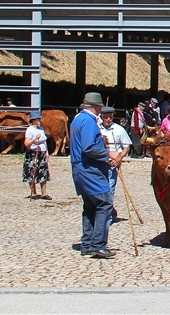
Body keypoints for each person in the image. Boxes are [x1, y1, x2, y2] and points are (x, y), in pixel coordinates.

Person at [70, 92, 119, 259]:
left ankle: (87, 244)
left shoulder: (77, 120)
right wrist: (108, 154)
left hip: (79, 169)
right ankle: (98, 244)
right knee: (104, 204)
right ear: (97, 106)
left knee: (90, 206)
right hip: (90, 170)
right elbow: (89, 147)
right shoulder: (89, 122)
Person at [98, 106, 131, 222]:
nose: (108, 120)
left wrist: (119, 158)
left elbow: (126, 146)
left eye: (110, 117)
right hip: (100, 162)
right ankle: (107, 211)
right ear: (102, 117)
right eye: (106, 117)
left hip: (113, 164)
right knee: (100, 188)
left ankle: (107, 215)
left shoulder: (119, 129)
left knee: (110, 188)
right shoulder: (96, 129)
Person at [23, 110, 51, 200]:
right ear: (33, 120)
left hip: (42, 153)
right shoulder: (30, 130)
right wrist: (35, 138)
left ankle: (44, 193)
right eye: (38, 119)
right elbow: (27, 144)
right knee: (32, 172)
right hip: (33, 154)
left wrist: (47, 152)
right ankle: (34, 192)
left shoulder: (41, 129)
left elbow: (44, 141)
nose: (40, 120)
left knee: (43, 172)